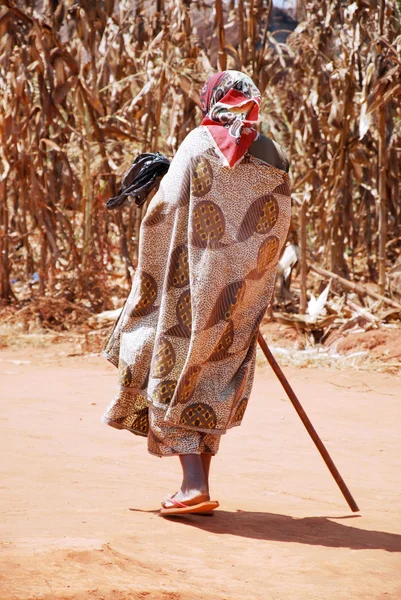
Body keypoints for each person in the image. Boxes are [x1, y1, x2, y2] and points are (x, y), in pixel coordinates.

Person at [102, 70, 291, 516]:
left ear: (211, 101)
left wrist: (156, 189)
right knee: (213, 374)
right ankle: (198, 484)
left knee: (174, 368)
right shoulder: (275, 153)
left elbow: (165, 212)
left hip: (193, 283)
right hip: (243, 289)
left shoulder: (198, 142)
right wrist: (244, 277)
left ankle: (191, 488)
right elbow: (274, 220)